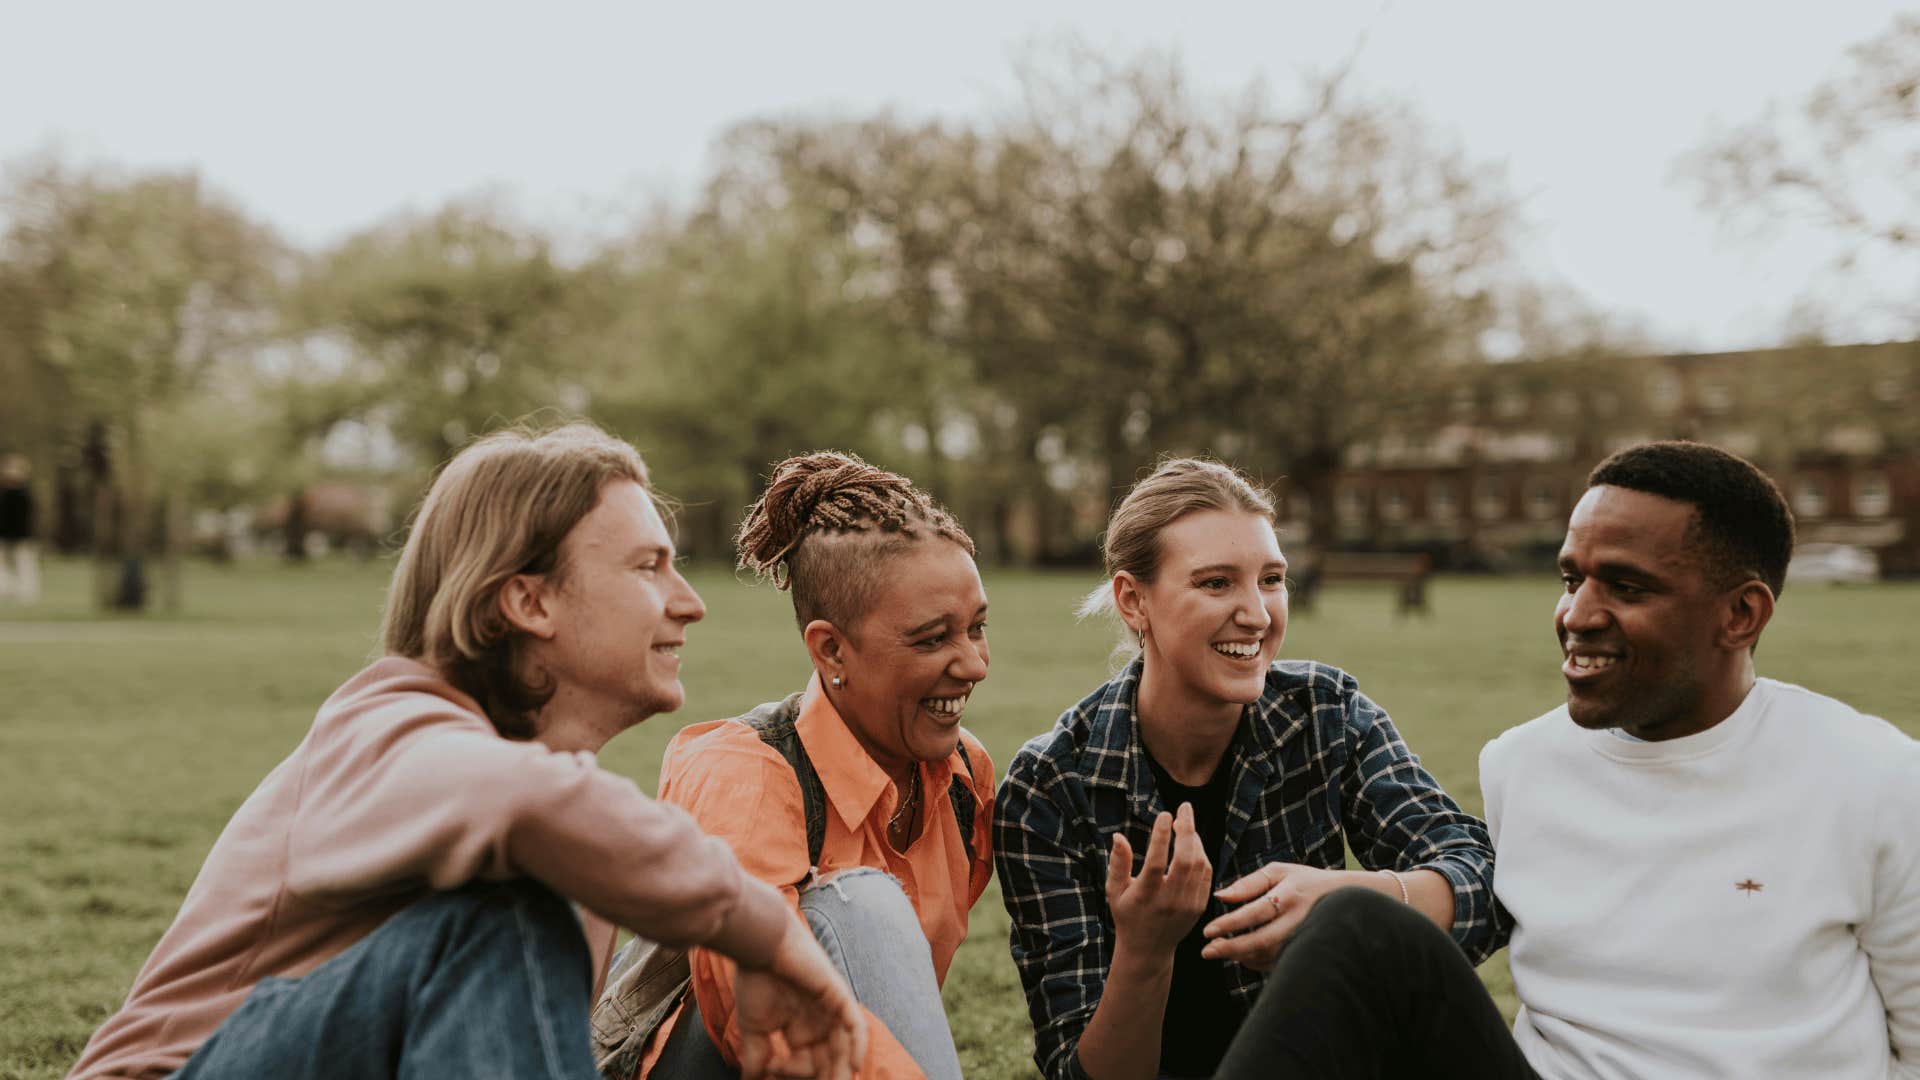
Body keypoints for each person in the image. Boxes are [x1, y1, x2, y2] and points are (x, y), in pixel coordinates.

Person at [68, 423, 865, 1080]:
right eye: (648, 566)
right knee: (511, 912)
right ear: (528, 599)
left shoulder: (539, 808)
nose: (688, 603)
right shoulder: (384, 725)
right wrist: (764, 931)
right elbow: (525, 802)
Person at [1202, 440, 1920, 1080]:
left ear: (1741, 615)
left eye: (1627, 587)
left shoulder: (1875, 778)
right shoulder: (1523, 765)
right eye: (1571, 578)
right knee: (1356, 925)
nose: (1577, 615)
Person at [993, 457, 1502, 1080]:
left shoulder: (1324, 714)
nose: (1258, 613)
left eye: (1271, 579)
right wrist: (1146, 951)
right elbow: (1078, 1074)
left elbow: (1479, 877)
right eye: (1216, 583)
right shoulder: (1049, 788)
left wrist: (1343, 906)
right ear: (1133, 601)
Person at [603, 451, 993, 1080]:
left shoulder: (964, 777)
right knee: (861, 902)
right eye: (932, 638)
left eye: (977, 628)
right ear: (831, 648)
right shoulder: (742, 769)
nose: (974, 663)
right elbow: (761, 1003)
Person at [0, 453, 38, 604]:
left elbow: (27, 517)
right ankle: (4, 588)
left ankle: (27, 592)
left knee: (24, 563)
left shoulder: (24, 493)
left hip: (22, 535)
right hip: (4, 534)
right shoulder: (3, 493)